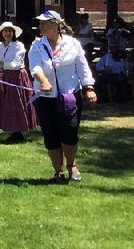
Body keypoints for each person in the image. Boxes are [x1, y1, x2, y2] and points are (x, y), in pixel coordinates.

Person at [28, 10, 96, 183]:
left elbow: (82, 66)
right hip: (45, 98)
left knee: (70, 132)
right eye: (40, 23)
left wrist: (88, 87)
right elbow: (35, 66)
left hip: (69, 96)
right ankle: (58, 171)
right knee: (50, 135)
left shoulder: (72, 44)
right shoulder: (37, 45)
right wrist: (42, 80)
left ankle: (72, 165)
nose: (41, 26)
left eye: (44, 23)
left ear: (56, 25)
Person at [0, 21, 37, 143]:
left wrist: (0, 63)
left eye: (10, 31)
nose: (8, 33)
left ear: (13, 33)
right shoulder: (0, 46)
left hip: (17, 77)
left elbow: (16, 65)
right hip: (6, 77)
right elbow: (1, 62)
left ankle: (18, 130)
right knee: (8, 102)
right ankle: (12, 130)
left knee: (17, 102)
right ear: (2, 33)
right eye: (5, 31)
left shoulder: (19, 46)